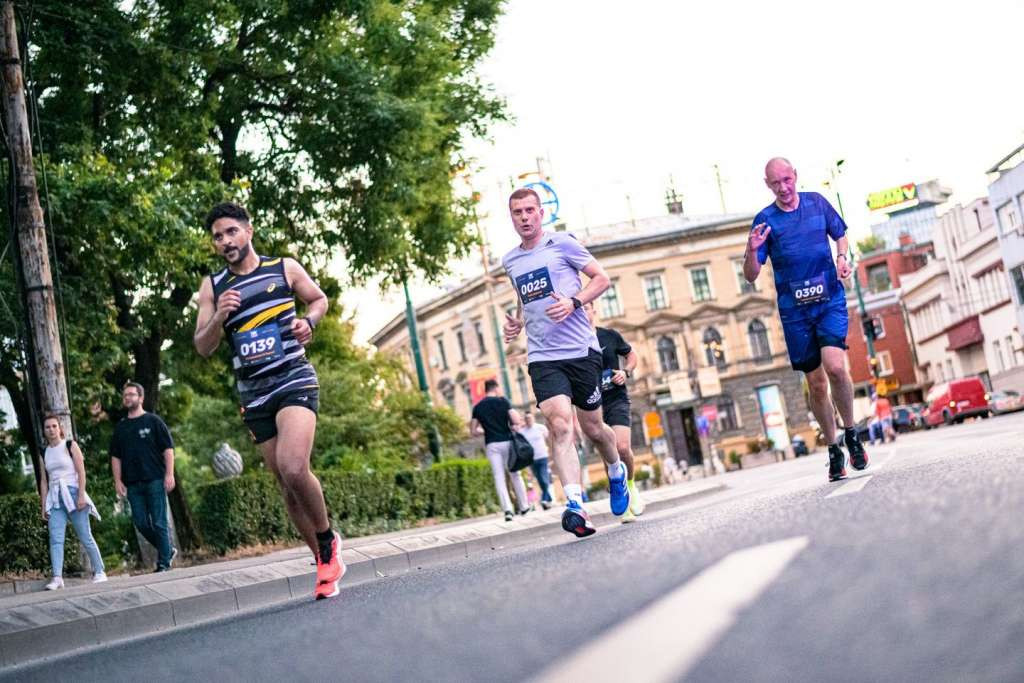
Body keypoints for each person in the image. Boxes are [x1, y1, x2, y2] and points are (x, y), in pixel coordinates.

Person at [193, 201, 343, 600]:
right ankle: (324, 564)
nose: (225, 241)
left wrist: (308, 322)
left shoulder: (284, 268)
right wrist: (218, 318)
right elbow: (202, 346)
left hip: (293, 378)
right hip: (254, 393)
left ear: (249, 231)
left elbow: (319, 300)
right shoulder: (213, 287)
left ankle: (327, 540)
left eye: (231, 232)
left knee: (294, 467)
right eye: (218, 237)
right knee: (284, 483)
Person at [502, 187, 629, 538]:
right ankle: (576, 506)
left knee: (594, 430)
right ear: (511, 217)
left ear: (541, 213)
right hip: (543, 356)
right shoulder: (510, 261)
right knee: (560, 426)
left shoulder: (563, 244)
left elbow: (601, 279)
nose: (524, 217)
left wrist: (574, 303)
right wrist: (518, 321)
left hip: (581, 352)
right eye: (517, 212)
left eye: (530, 210)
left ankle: (616, 472)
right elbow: (526, 299)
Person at [743, 157, 869, 482]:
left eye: (787, 180)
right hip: (795, 314)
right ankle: (833, 448)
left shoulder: (817, 203)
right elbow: (751, 275)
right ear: (768, 185)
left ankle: (852, 433)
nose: (784, 188)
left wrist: (842, 259)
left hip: (828, 301)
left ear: (795, 176)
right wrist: (750, 250)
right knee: (815, 382)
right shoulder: (765, 221)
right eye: (776, 183)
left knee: (837, 367)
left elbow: (840, 235)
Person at [584, 302, 646, 523]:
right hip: (593, 405)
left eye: (586, 308)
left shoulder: (609, 335)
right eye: (579, 309)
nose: (583, 312)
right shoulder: (574, 342)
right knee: (608, 455)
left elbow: (631, 356)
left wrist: (625, 372)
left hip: (617, 399)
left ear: (593, 310)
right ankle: (624, 503)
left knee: (622, 447)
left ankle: (630, 485)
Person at [110, 381, 177, 572]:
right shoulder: (121, 428)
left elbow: (168, 450)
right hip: (133, 484)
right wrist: (118, 480)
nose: (128, 398)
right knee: (141, 523)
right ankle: (167, 550)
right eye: (125, 395)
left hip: (155, 479)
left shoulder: (153, 421)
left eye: (132, 394)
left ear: (141, 398)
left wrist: (169, 474)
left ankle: (163, 563)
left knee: (159, 522)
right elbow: (115, 456)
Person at [40, 415, 106, 589]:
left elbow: (81, 472)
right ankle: (57, 577)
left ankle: (100, 571)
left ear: (60, 428)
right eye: (47, 427)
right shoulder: (44, 451)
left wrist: (82, 495)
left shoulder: (70, 445)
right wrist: (43, 505)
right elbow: (44, 481)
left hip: (73, 493)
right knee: (55, 538)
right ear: (44, 431)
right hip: (55, 499)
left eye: (54, 426)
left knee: (85, 536)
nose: (51, 430)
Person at [469, 379, 532, 521]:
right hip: (508, 442)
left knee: (499, 477)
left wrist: (485, 430)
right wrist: (512, 425)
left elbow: (473, 431)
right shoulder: (503, 401)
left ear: (485, 390)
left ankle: (508, 510)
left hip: (492, 444)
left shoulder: (477, 407)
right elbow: (516, 420)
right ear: (496, 388)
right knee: (515, 473)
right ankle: (524, 507)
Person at [516, 410, 554, 510]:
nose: (528, 420)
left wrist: (551, 452)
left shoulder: (540, 428)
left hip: (542, 456)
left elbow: (549, 440)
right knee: (540, 479)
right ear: (525, 420)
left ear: (533, 418)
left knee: (543, 477)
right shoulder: (522, 432)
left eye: (530, 418)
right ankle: (547, 499)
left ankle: (544, 499)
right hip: (531, 460)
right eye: (526, 419)